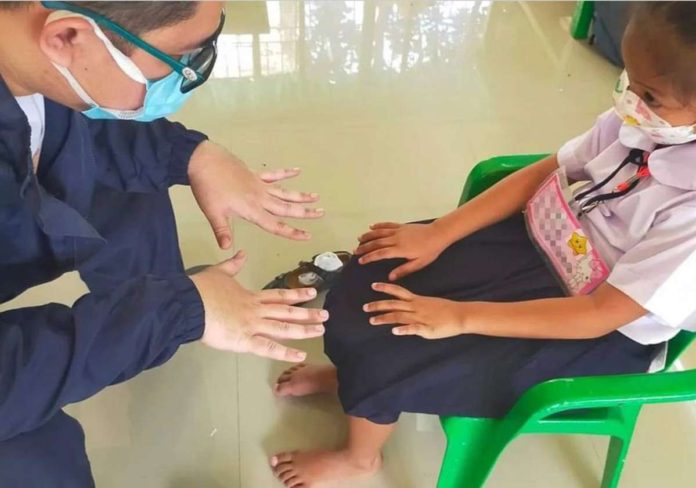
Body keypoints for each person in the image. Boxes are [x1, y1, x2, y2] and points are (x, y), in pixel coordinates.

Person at [270, 2, 696, 486]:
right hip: (552, 245)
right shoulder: (642, 122)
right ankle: (353, 382)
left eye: (651, 96)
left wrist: (458, 315)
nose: (629, 100)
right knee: (374, 267)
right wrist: (439, 233)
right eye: (627, 75)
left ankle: (359, 456)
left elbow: (600, 313)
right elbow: (548, 170)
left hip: (592, 326)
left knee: (391, 346)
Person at [0, 2, 329, 486]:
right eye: (181, 60)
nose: (188, 77)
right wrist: (173, 312)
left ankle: (148, 323)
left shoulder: (27, 57)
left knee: (131, 188)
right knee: (37, 460)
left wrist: (191, 155)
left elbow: (68, 123)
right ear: (67, 37)